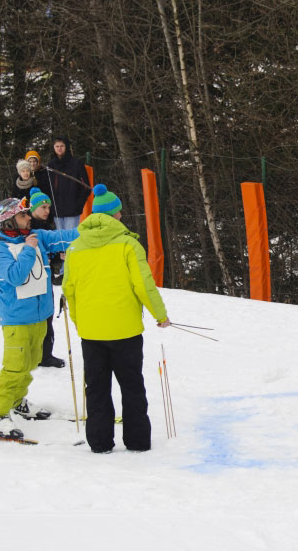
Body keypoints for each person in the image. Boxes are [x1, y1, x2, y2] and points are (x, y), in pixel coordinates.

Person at [62, 184, 170, 453]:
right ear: (114, 214)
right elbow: (144, 284)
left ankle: (99, 443)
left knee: (96, 388)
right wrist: (161, 315)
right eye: (119, 212)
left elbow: (69, 290)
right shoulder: (128, 244)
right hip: (125, 331)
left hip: (91, 332)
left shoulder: (75, 248)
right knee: (132, 386)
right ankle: (137, 441)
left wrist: (79, 321)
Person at [0, 197, 79, 440]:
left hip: (39, 315)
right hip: (16, 320)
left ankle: (17, 401)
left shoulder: (35, 235)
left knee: (31, 362)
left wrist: (96, 225)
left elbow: (63, 237)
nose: (29, 217)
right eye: (23, 215)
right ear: (10, 221)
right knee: (14, 368)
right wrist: (28, 250)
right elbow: (15, 277)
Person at [29, 188, 66, 369]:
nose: (47, 210)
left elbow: (51, 253)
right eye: (43, 207)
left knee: (48, 315)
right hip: (32, 280)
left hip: (46, 278)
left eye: (48, 207)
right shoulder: (28, 227)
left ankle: (46, 354)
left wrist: (60, 256)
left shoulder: (48, 225)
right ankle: (34, 353)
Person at [46, 136, 90, 231]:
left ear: (66, 147)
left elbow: (85, 187)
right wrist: (51, 206)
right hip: (57, 210)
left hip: (72, 209)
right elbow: (48, 187)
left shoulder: (76, 164)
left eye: (62, 146)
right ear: (54, 148)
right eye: (57, 146)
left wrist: (78, 205)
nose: (59, 148)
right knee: (60, 238)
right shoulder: (51, 165)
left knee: (70, 239)